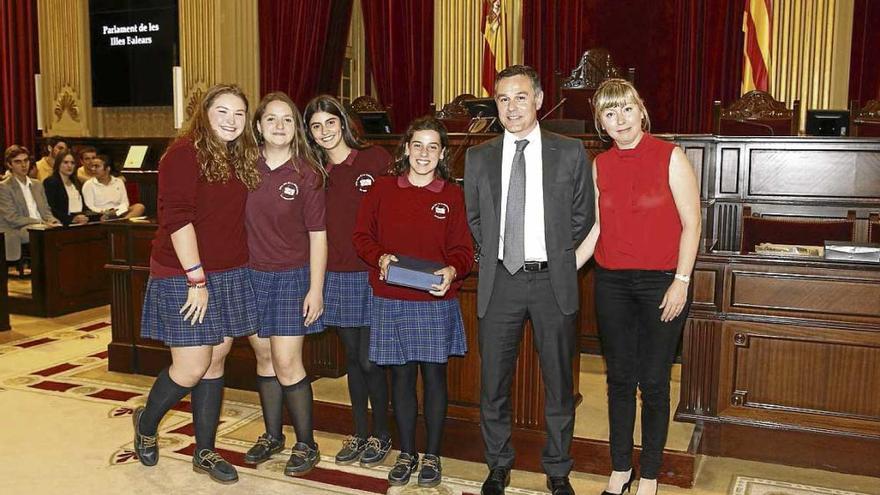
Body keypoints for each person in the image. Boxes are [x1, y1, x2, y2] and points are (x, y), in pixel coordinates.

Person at [463, 65, 593, 495]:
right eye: (503, 99)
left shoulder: (570, 152)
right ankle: (498, 464)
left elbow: (581, 217)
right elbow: (476, 218)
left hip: (550, 282)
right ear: (494, 105)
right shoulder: (478, 156)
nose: (512, 107)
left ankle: (558, 469)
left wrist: (553, 255)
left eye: (520, 97)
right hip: (500, 282)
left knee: (558, 384)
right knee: (493, 383)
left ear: (538, 100)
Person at [574, 78, 700, 495]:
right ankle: (620, 469)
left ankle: (649, 476)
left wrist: (681, 281)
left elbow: (692, 223)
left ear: (640, 110)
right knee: (620, 381)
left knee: (655, 382)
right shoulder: (601, 166)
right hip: (612, 283)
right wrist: (562, 270)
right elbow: (596, 231)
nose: (620, 119)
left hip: (663, 282)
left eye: (626, 109)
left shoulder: (670, 156)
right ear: (601, 124)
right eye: (610, 113)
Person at [132, 83, 262, 485]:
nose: (231, 120)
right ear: (204, 113)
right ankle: (146, 423)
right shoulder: (184, 154)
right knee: (191, 365)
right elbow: (177, 219)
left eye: (239, 114)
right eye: (222, 111)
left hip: (229, 271)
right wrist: (196, 279)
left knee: (216, 358)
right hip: (186, 273)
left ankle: (204, 450)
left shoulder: (239, 154)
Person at [353, 117, 473, 488]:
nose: (424, 153)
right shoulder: (382, 189)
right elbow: (361, 237)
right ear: (405, 148)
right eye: (417, 145)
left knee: (434, 378)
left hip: (435, 301)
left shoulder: (451, 194)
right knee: (402, 379)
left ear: (442, 154)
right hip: (391, 299)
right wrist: (380, 258)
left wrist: (453, 271)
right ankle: (407, 452)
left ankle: (432, 455)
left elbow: (464, 251)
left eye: (432, 146)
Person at [303, 94, 393, 467]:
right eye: (316, 126)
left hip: (373, 273)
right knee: (353, 360)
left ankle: (383, 434)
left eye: (330, 122)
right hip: (336, 274)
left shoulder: (375, 159)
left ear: (343, 122)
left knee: (371, 360)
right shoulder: (312, 171)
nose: (324, 131)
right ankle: (360, 431)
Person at [242, 92, 328, 476]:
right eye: (271, 119)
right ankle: (272, 435)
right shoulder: (242, 168)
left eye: (288, 120)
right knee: (262, 358)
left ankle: (306, 444)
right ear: (258, 125)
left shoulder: (307, 173)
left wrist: (316, 288)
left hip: (292, 278)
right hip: (250, 276)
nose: (279, 126)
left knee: (287, 362)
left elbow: (318, 236)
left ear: (296, 128)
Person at [0, 145, 61, 264]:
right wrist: (40, 222)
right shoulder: (4, 187)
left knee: (63, 231)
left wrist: (53, 221)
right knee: (42, 235)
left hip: (42, 226)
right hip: (17, 229)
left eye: (26, 161)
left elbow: (46, 211)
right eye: (18, 162)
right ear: (9, 164)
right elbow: (13, 218)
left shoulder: (37, 184)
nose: (23, 165)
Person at [82, 155, 146, 220]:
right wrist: (106, 212)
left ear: (107, 169)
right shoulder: (88, 184)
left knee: (139, 207)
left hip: (118, 212)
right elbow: (90, 206)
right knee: (103, 217)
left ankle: (121, 222)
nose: (93, 169)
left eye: (97, 166)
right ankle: (122, 223)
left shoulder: (118, 182)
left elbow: (125, 203)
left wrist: (116, 211)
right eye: (92, 166)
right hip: (101, 214)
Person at [43, 150, 91, 226]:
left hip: (81, 222)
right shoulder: (51, 182)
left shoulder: (76, 181)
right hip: (63, 223)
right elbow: (51, 208)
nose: (69, 166)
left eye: (72, 163)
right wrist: (71, 219)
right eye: (65, 162)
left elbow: (83, 205)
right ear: (58, 164)